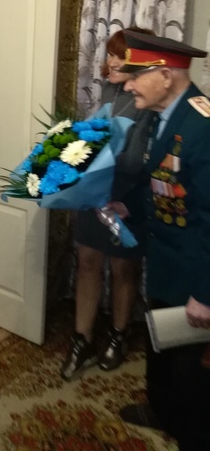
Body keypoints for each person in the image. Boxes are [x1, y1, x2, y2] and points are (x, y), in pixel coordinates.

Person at [116, 31, 210, 451]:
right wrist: (129, 207)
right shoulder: (161, 115)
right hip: (166, 262)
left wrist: (205, 294)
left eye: (136, 76)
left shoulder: (203, 127)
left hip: (193, 274)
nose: (128, 85)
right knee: (161, 349)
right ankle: (161, 410)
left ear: (165, 76)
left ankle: (191, 434)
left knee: (190, 374)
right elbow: (163, 180)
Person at [61, 27, 155, 381]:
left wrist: (100, 151)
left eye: (120, 57)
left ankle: (118, 333)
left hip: (128, 200)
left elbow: (137, 161)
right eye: (110, 54)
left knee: (123, 269)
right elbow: (94, 135)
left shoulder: (148, 100)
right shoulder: (110, 89)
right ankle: (82, 338)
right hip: (95, 193)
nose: (111, 62)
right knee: (87, 261)